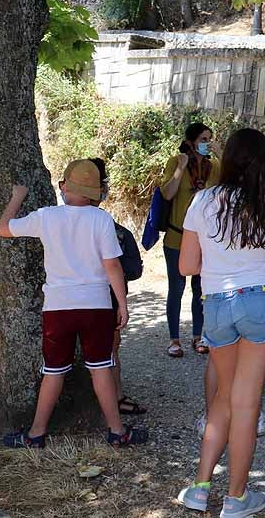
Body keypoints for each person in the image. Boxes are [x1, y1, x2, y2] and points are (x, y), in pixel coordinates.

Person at [176, 128, 265, 517]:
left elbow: (187, 265)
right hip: (260, 304)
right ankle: (236, 497)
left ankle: (199, 487)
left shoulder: (202, 200)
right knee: (246, 404)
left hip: (216, 306)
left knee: (223, 399)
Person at [0, 160, 147, 448]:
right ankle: (117, 432)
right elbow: (113, 267)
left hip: (58, 308)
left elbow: (3, 229)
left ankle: (36, 434)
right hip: (96, 306)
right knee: (101, 368)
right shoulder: (101, 220)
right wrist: (123, 305)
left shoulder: (46, 217)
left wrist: (17, 196)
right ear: (95, 193)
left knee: (53, 372)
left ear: (64, 186)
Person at [89, 158, 146, 417]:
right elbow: (133, 270)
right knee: (110, 353)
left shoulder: (54, 223)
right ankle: (116, 397)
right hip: (107, 302)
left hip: (64, 305)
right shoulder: (115, 230)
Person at [161, 121, 221, 358]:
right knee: (176, 288)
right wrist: (180, 168)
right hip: (177, 236)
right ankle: (174, 339)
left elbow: (235, 180)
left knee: (200, 288)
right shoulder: (176, 162)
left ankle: (199, 336)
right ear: (190, 142)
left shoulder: (214, 166)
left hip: (205, 239)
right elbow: (167, 193)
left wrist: (220, 152)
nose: (206, 144)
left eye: (209, 139)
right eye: (203, 140)